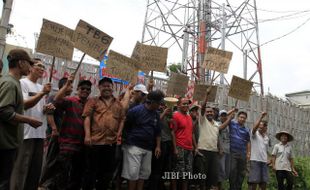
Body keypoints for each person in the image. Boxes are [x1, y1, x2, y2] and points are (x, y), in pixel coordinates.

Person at [0, 49, 42, 190]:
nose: (31, 67)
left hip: (9, 142)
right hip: (5, 144)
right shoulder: (11, 83)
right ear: (20, 63)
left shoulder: (12, 82)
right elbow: (4, 112)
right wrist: (29, 120)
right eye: (29, 63)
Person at [10, 58, 52, 190]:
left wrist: (47, 108)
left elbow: (40, 108)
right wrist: (42, 93)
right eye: (38, 65)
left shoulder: (41, 87)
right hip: (26, 133)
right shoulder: (22, 83)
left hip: (39, 133)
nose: (42, 68)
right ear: (30, 67)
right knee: (21, 169)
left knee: (34, 171)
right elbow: (24, 105)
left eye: (43, 67)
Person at [45, 76, 92, 189]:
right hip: (67, 143)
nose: (85, 90)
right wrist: (67, 85)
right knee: (62, 172)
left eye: (87, 89)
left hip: (82, 145)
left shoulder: (91, 104)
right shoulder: (71, 101)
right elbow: (57, 99)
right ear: (78, 89)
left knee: (77, 173)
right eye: (82, 88)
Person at [83, 77, 129, 189]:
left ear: (112, 88)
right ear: (99, 87)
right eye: (104, 86)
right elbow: (87, 117)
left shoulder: (118, 104)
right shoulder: (93, 101)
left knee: (106, 173)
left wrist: (119, 134)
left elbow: (122, 119)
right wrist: (87, 135)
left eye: (108, 86)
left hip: (110, 143)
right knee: (91, 172)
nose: (106, 88)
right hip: (95, 142)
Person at [122, 90, 164, 190]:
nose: (160, 106)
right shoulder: (136, 110)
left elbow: (157, 131)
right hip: (134, 145)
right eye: (158, 103)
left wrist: (158, 146)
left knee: (144, 174)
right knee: (133, 173)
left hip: (148, 147)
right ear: (152, 102)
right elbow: (126, 126)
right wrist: (127, 140)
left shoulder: (156, 114)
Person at [39, 77, 73, 188]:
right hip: (55, 134)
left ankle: (52, 183)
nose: (72, 88)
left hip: (64, 135)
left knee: (59, 160)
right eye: (70, 86)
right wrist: (54, 129)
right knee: (51, 159)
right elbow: (49, 113)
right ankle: (42, 183)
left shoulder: (68, 100)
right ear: (63, 86)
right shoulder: (53, 97)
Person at [220, 110, 250, 190]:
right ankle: (232, 187)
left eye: (244, 118)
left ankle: (238, 187)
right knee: (232, 171)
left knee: (241, 172)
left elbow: (248, 141)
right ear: (238, 117)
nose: (242, 119)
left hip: (242, 153)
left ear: (246, 119)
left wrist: (248, 153)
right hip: (233, 152)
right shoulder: (232, 123)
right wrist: (232, 112)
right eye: (241, 117)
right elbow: (224, 117)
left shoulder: (247, 130)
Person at [170, 98, 197, 190]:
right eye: (184, 104)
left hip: (189, 149)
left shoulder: (189, 117)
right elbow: (173, 132)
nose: (186, 105)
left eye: (187, 104)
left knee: (187, 172)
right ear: (178, 105)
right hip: (179, 146)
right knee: (176, 172)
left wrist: (194, 146)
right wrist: (175, 148)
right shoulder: (176, 116)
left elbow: (191, 132)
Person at [195, 96, 220, 190]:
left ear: (214, 113)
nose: (209, 113)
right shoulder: (202, 120)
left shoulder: (216, 124)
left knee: (212, 176)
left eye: (211, 112)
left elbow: (222, 127)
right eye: (208, 112)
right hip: (203, 151)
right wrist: (207, 95)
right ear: (204, 113)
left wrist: (230, 117)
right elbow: (203, 107)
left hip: (213, 152)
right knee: (202, 176)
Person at [148, 102, 173, 190]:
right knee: (157, 167)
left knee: (165, 167)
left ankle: (160, 185)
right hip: (160, 143)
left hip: (168, 142)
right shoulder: (156, 113)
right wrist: (164, 113)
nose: (163, 106)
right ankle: (153, 186)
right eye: (161, 104)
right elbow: (156, 123)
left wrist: (170, 117)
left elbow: (173, 129)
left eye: (164, 105)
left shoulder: (169, 115)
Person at [248, 112, 269, 190]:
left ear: (266, 128)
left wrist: (268, 159)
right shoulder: (254, 134)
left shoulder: (266, 137)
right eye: (259, 125)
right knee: (254, 181)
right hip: (255, 160)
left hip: (264, 161)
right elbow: (254, 128)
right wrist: (261, 117)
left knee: (264, 182)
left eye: (263, 125)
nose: (260, 126)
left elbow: (265, 149)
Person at [217, 110, 230, 190]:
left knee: (226, 170)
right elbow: (220, 128)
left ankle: (221, 186)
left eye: (225, 115)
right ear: (219, 117)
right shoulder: (217, 124)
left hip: (228, 150)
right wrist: (220, 148)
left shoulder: (229, 125)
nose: (224, 117)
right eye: (222, 115)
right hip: (221, 151)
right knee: (220, 169)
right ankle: (218, 187)